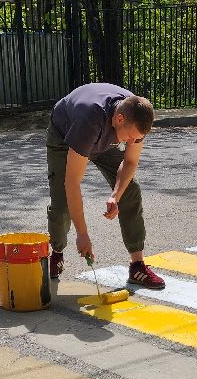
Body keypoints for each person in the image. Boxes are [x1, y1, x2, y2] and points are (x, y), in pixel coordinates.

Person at [46, 82, 165, 288]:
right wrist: (82, 234)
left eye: (136, 139)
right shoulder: (89, 120)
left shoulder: (135, 116)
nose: (131, 142)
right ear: (119, 119)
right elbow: (72, 182)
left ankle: (137, 266)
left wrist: (116, 196)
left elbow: (130, 162)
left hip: (102, 136)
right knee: (62, 205)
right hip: (65, 135)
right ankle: (57, 251)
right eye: (129, 137)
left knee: (131, 191)